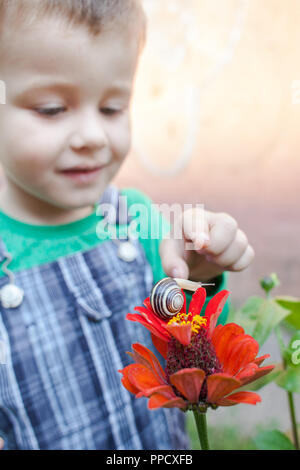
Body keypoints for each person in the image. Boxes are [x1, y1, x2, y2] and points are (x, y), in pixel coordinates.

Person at [0, 0, 254, 450]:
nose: (93, 136)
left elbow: (192, 341)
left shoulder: (138, 222)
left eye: (113, 108)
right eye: (53, 109)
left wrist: (198, 275)